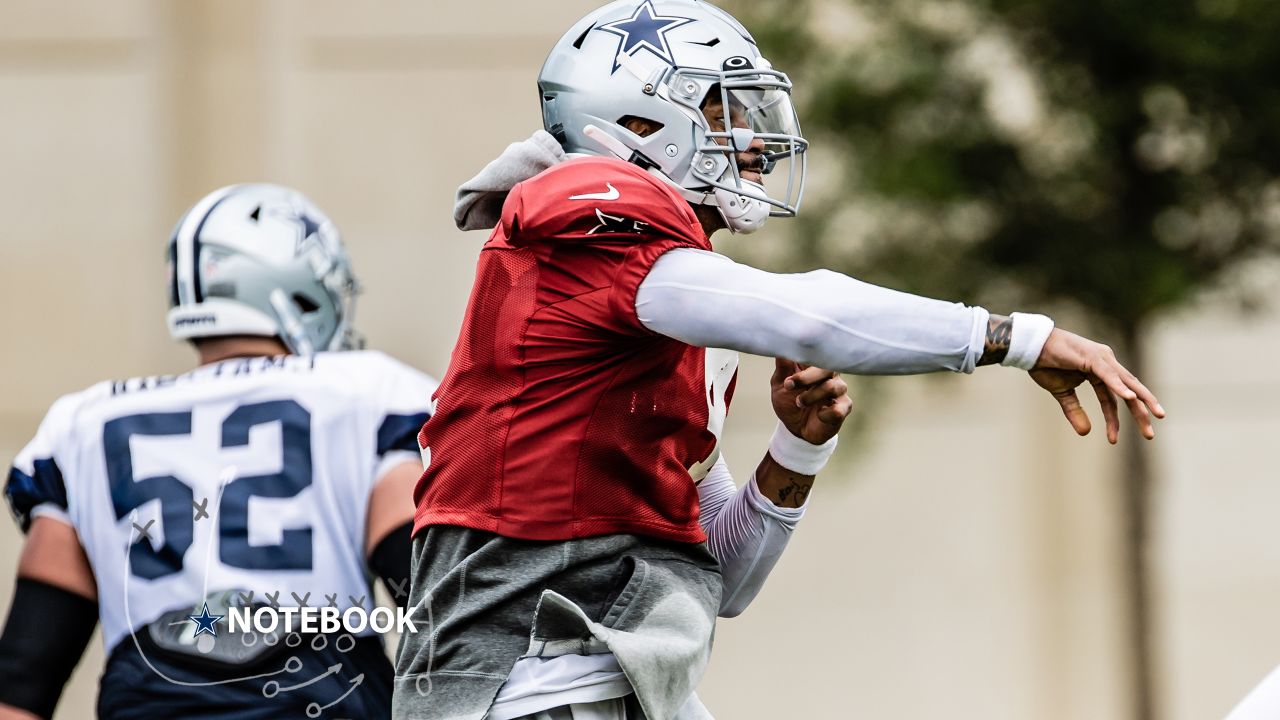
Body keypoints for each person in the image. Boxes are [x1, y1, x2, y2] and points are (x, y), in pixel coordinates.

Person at [393, 2, 1166, 718]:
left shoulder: (678, 306)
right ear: (636, 121)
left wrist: (798, 448)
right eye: (725, 113)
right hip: (520, 681)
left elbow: (719, 581)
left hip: (611, 677)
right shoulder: (587, 227)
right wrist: (1012, 338)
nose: (756, 142)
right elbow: (812, 315)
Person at [0, 184, 438, 719]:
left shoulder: (84, 423)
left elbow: (24, 677)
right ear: (294, 284)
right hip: (315, 696)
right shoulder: (366, 393)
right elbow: (436, 604)